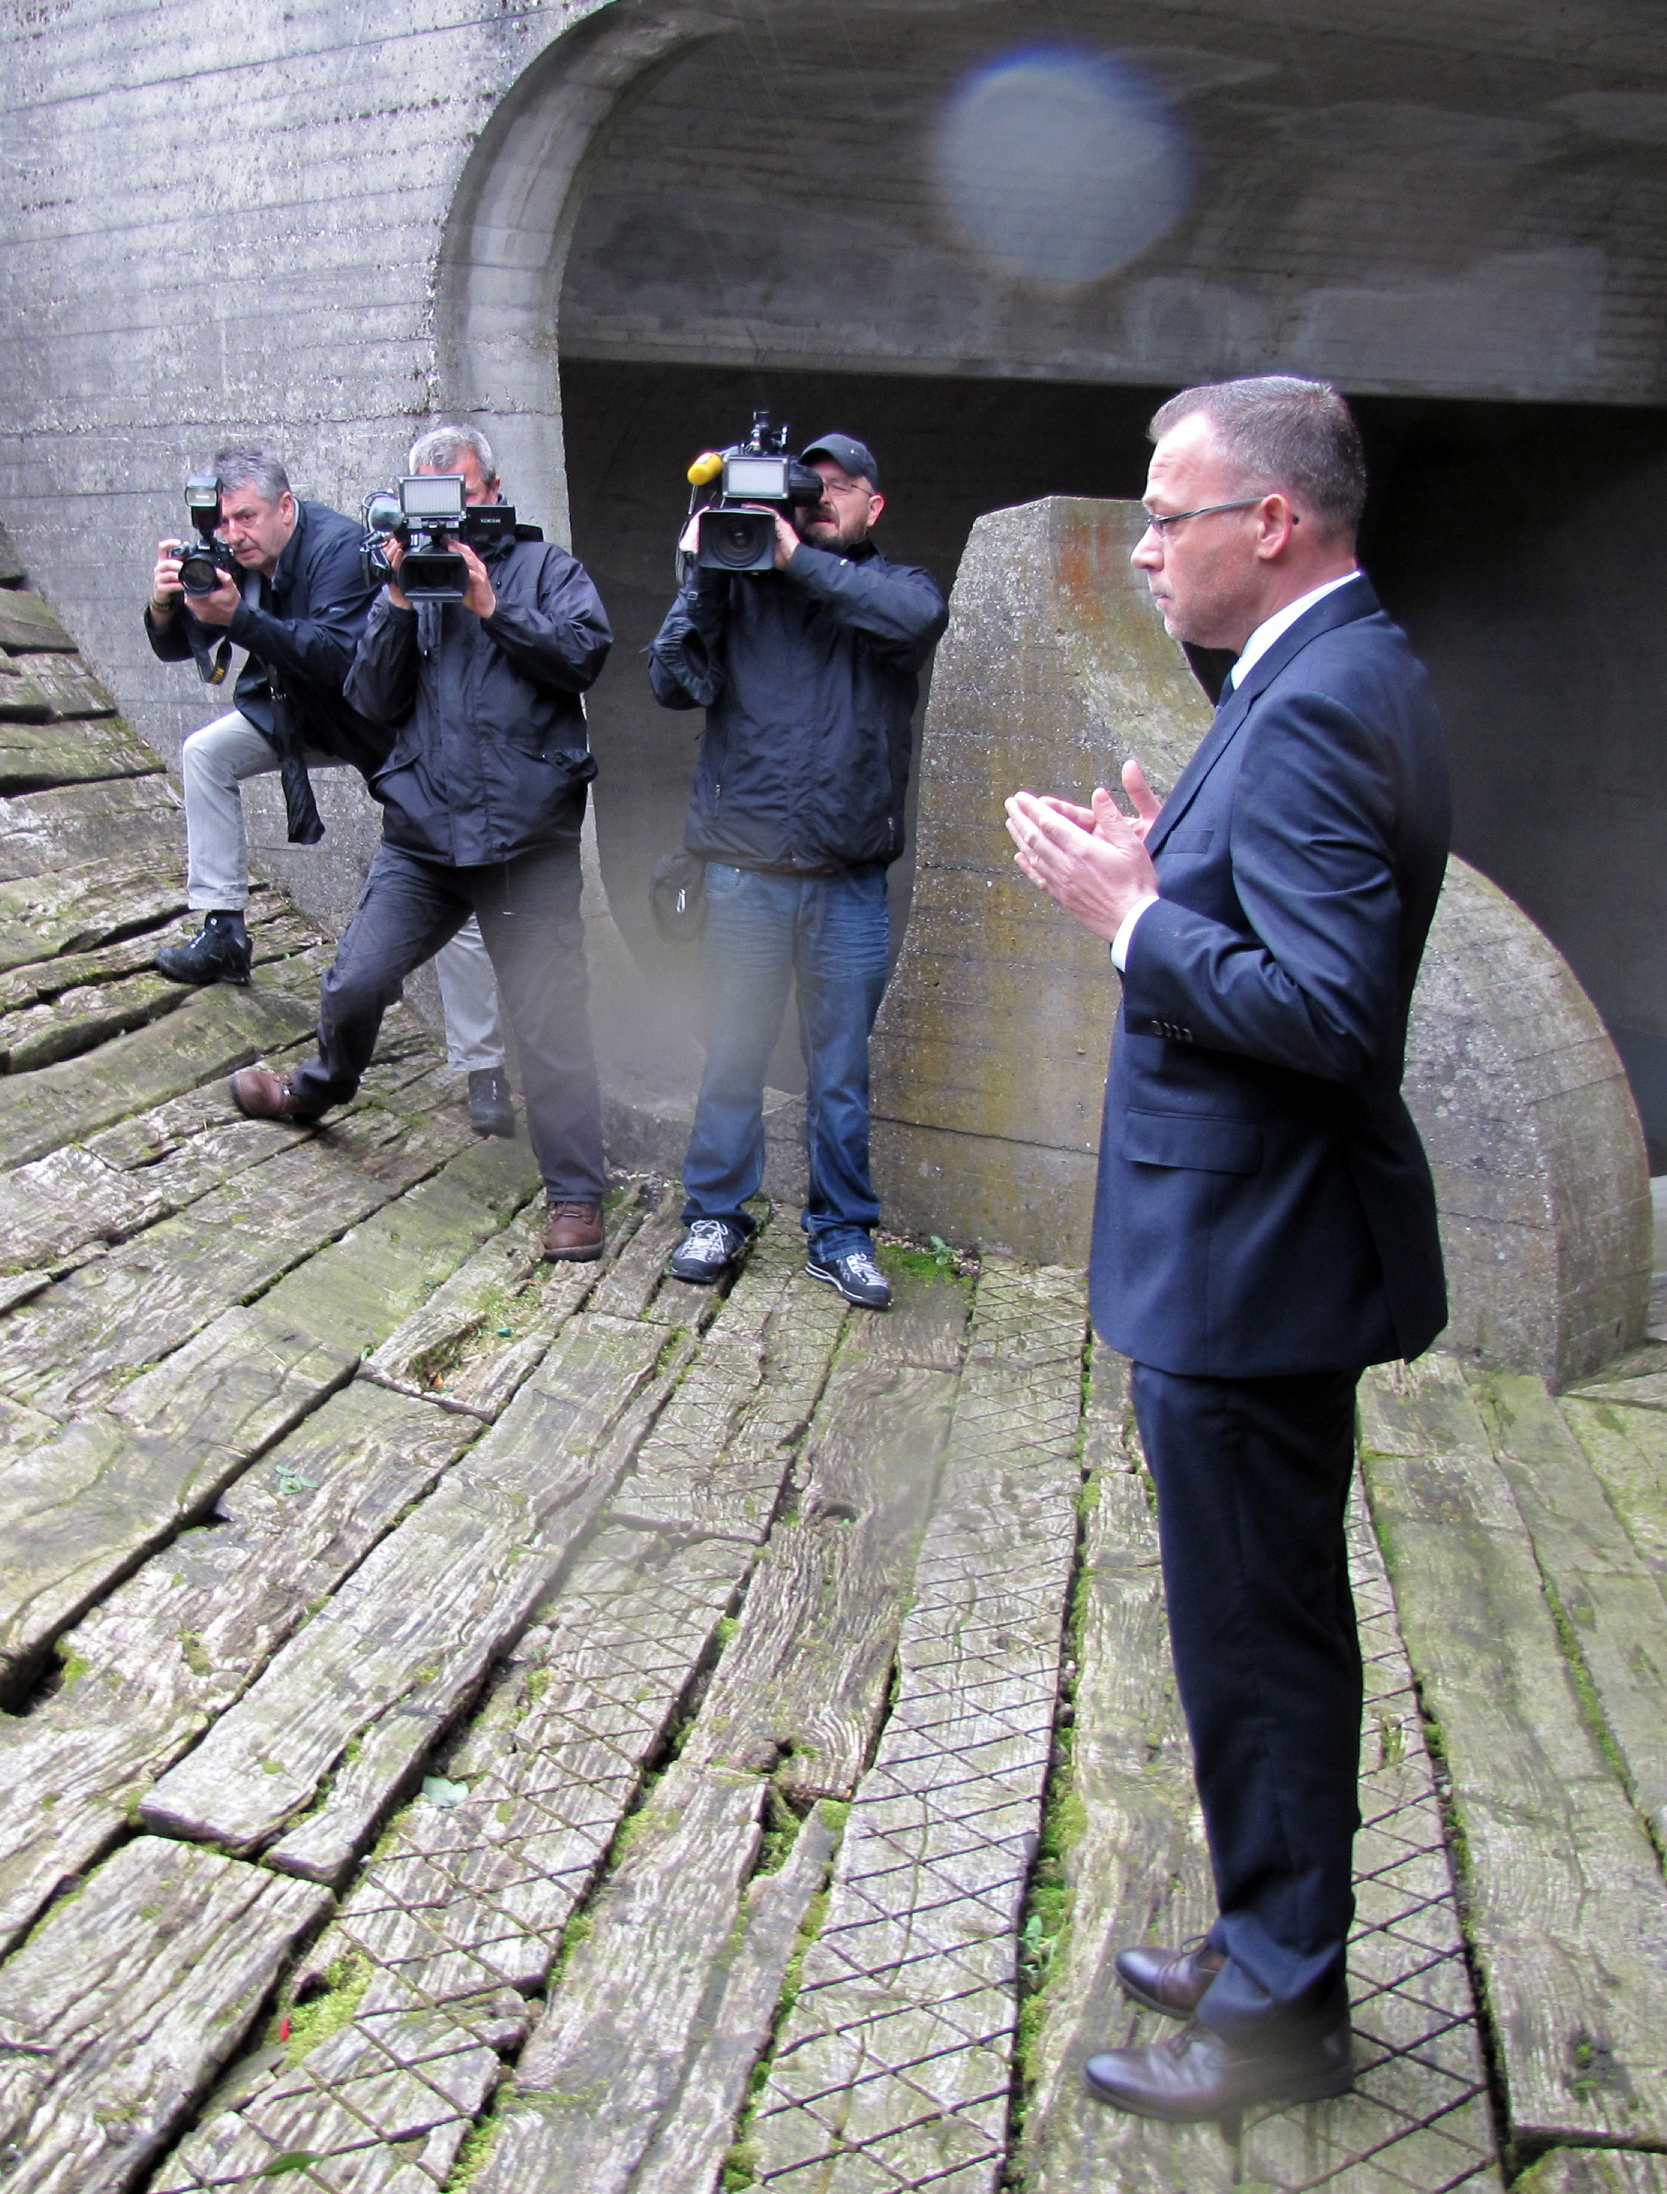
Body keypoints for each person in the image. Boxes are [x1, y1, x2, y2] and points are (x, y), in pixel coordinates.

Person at [1005, 375, 1450, 2122]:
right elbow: (1272, 923)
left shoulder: (1328, 701)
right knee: (1256, 1636)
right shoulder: (1322, 678)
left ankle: (1280, 2013)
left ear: (1271, 524)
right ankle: (1275, 1936)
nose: (1148, 548)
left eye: (1168, 515)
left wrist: (1131, 922)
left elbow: (1333, 1012)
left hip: (1254, 1269)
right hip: (1246, 1252)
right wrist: (1160, 876)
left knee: (1261, 1646)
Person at [228, 424, 617, 1260]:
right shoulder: (400, 580)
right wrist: (403, 601)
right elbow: (367, 694)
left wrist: (491, 606)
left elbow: (585, 657)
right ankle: (316, 1089)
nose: (455, 517)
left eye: (466, 496)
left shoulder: (547, 570)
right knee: (355, 980)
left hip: (526, 843)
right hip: (426, 840)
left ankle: (577, 1197)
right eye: (434, 501)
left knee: (549, 1022)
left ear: (495, 489)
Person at [648, 432, 947, 1311]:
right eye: (802, 491)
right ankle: (717, 1214)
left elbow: (912, 624)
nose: (817, 504)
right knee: (734, 1053)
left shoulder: (898, 591)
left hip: (848, 878)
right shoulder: (742, 592)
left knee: (841, 1070)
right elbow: (669, 681)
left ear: (873, 505)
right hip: (745, 873)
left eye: (837, 490)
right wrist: (708, 562)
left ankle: (842, 1230)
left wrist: (793, 557)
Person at [143, 444, 518, 1138]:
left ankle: (483, 1067)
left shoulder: (342, 549)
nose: (235, 534)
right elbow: (187, 644)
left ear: (286, 507)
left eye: (248, 517)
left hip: (384, 730)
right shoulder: (239, 557)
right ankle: (224, 930)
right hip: (302, 719)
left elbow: (340, 656)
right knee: (206, 753)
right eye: (225, 521)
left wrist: (241, 619)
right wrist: (169, 606)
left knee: (454, 886)